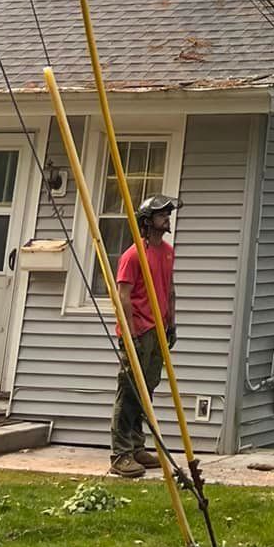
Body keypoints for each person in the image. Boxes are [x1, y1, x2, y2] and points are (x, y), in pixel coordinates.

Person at [109, 195, 177, 479]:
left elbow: (169, 289)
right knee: (129, 391)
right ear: (148, 221)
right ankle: (120, 454)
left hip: (158, 330)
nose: (167, 219)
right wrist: (131, 333)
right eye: (162, 215)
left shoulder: (168, 251)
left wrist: (172, 322)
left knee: (146, 390)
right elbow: (122, 296)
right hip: (137, 330)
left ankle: (137, 446)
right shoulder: (133, 255)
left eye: (168, 214)